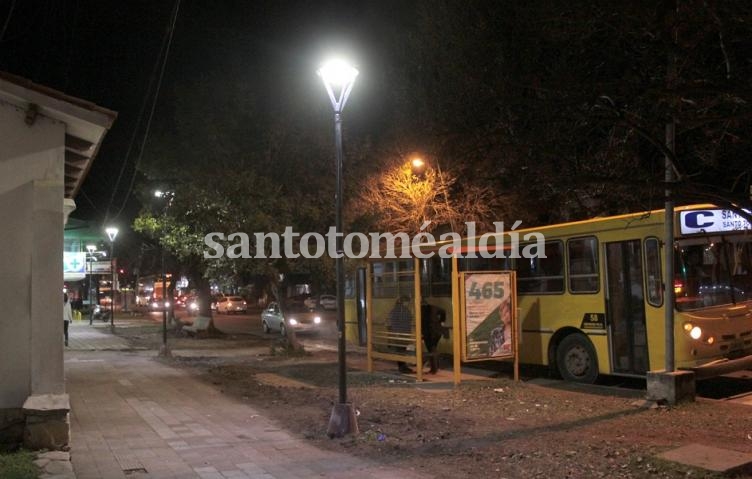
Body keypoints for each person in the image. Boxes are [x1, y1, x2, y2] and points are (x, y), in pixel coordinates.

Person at [421, 300, 448, 374]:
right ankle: (435, 367)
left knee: (431, 349)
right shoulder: (434, 307)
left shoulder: (421, 310)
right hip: (437, 331)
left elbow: (422, 323)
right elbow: (443, 311)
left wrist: (422, 335)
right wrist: (442, 321)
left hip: (429, 332)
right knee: (433, 348)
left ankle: (434, 369)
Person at [388, 296, 413, 373]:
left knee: (401, 350)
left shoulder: (396, 309)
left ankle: (403, 366)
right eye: (407, 302)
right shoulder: (402, 310)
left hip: (400, 333)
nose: (408, 303)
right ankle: (402, 367)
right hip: (401, 333)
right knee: (401, 351)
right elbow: (409, 318)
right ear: (404, 302)